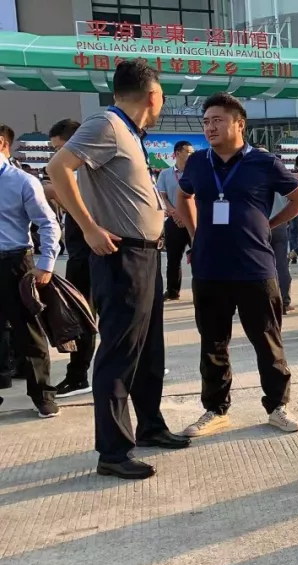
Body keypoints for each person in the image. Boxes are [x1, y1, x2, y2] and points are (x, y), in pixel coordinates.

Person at [47, 60, 190, 479]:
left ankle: (150, 426)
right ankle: (113, 451)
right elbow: (58, 168)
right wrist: (89, 227)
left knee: (148, 349)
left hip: (146, 255)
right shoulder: (106, 124)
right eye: (162, 94)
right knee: (120, 352)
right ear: (152, 95)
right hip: (122, 256)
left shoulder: (128, 133)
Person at [172, 92, 298, 438]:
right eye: (206, 122)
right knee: (213, 343)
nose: (210, 127)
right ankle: (215, 410)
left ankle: (278, 407)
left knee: (267, 341)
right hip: (209, 268)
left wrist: (270, 224)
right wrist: (195, 233)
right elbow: (184, 196)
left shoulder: (264, 162)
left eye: (218, 120)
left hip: (255, 268)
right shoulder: (198, 163)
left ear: (239, 124)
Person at [0, 122, 60, 418]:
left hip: (14, 263)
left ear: (3, 144)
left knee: (28, 331)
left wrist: (46, 263)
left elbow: (47, 223)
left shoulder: (22, 181)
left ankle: (43, 395)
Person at [45, 119, 95, 399]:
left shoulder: (88, 174)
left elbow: (83, 210)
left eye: (60, 148)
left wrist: (56, 193)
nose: (57, 155)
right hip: (81, 252)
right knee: (83, 315)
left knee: (84, 315)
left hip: (92, 253)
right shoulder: (76, 172)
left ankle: (78, 376)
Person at [155, 140, 194, 301]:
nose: (191, 155)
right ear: (177, 153)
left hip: (193, 220)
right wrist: (174, 212)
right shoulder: (165, 174)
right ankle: (172, 291)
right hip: (174, 220)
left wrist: (186, 215)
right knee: (173, 258)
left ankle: (202, 290)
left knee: (199, 256)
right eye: (188, 152)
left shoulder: (196, 173)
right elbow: (161, 196)